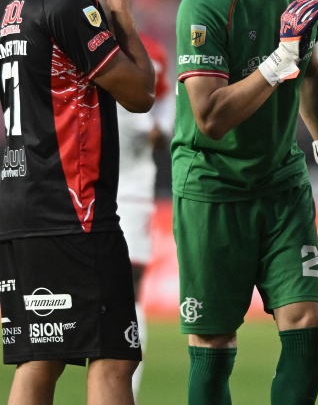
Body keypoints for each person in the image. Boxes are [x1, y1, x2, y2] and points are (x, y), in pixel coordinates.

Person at [171, 0, 318, 404]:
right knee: (215, 338)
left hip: (282, 181)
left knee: (306, 318)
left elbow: (308, 72)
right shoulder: (207, 3)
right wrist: (278, 59)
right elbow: (211, 117)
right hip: (213, 184)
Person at [0, 0, 155, 404]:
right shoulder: (73, 8)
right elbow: (140, 92)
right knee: (114, 357)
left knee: (38, 361)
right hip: (76, 210)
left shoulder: (16, 6)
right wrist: (123, 11)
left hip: (22, 207)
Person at [116, 32, 173, 401]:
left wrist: (161, 128)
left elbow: (167, 99)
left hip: (133, 180)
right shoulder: (76, 39)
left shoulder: (150, 51)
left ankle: (128, 390)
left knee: (130, 285)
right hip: (81, 180)